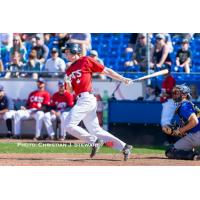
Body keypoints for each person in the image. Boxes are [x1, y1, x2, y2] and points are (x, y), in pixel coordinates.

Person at [64, 43, 133, 161]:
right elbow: (70, 91)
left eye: (68, 52)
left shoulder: (86, 60)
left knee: (68, 125)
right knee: (95, 130)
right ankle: (124, 147)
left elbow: (106, 71)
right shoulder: (69, 69)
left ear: (75, 52)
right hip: (81, 99)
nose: (66, 54)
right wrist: (68, 83)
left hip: (87, 98)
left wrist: (122, 78)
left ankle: (94, 141)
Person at [164, 84, 200, 160]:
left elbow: (194, 121)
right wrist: (181, 132)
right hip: (195, 135)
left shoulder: (184, 105)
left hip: (197, 135)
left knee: (170, 151)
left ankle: (194, 156)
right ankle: (196, 156)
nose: (173, 95)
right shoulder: (187, 105)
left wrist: (179, 131)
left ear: (184, 95)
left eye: (176, 93)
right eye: (173, 93)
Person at [160, 66, 177, 145]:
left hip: (170, 101)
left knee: (165, 122)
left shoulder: (170, 79)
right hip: (167, 102)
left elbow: (170, 93)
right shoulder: (166, 79)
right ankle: (172, 141)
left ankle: (172, 141)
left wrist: (161, 94)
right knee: (165, 122)